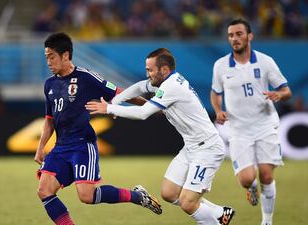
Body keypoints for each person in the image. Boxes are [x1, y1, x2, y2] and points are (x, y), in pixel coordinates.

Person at [86, 48, 235, 225]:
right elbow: (140, 87)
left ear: (164, 70)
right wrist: (115, 101)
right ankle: (220, 213)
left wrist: (109, 108)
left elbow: (143, 113)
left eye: (150, 70)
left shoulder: (172, 86)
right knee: (169, 193)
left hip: (207, 149)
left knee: (188, 203)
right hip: (191, 147)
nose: (147, 74)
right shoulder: (165, 81)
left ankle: (214, 221)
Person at [34, 32, 162, 225]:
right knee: (44, 190)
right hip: (60, 148)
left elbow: (121, 93)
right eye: (46, 57)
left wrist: (151, 107)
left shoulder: (87, 78)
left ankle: (138, 196)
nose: (48, 62)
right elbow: (49, 120)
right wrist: (40, 147)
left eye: (51, 56)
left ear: (66, 55)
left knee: (87, 196)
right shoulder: (49, 84)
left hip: (82, 146)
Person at [210, 18, 292, 225]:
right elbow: (215, 92)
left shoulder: (265, 61)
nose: (234, 39)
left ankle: (267, 221)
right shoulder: (220, 66)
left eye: (239, 34)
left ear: (249, 36)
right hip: (238, 130)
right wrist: (218, 110)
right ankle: (251, 188)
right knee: (247, 179)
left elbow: (286, 90)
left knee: (266, 175)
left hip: (265, 125)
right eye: (231, 35)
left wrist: (279, 95)